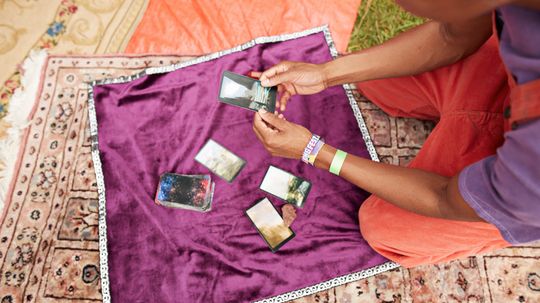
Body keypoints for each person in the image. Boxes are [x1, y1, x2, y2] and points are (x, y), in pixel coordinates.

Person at [251, 0, 540, 267]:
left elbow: (442, 198)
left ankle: (498, 218)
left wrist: (313, 151)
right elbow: (449, 37)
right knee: (374, 79)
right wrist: (325, 73)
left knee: (383, 225)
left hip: (524, 182)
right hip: (506, 83)